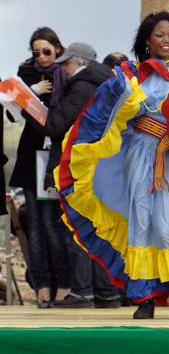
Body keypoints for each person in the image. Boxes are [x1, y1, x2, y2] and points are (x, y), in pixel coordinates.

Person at [58, 11, 169, 319]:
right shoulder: (131, 73)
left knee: (168, 225)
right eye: (159, 35)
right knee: (141, 222)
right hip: (139, 154)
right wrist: (124, 98)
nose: (167, 40)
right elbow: (113, 109)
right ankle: (144, 298)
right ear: (146, 40)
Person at [40, 43, 117, 309]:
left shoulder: (83, 87)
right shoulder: (105, 83)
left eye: (66, 63)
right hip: (103, 168)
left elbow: (55, 125)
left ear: (78, 63)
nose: (63, 68)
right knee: (98, 229)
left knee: (77, 230)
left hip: (79, 169)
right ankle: (107, 292)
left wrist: (31, 110)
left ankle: (83, 291)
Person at [9, 27, 72, 308]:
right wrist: (33, 92)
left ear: (58, 48)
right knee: (33, 224)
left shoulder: (68, 72)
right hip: (31, 150)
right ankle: (42, 286)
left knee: (52, 223)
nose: (42, 57)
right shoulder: (26, 74)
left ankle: (64, 284)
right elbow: (12, 110)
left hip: (55, 153)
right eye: (37, 52)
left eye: (47, 51)